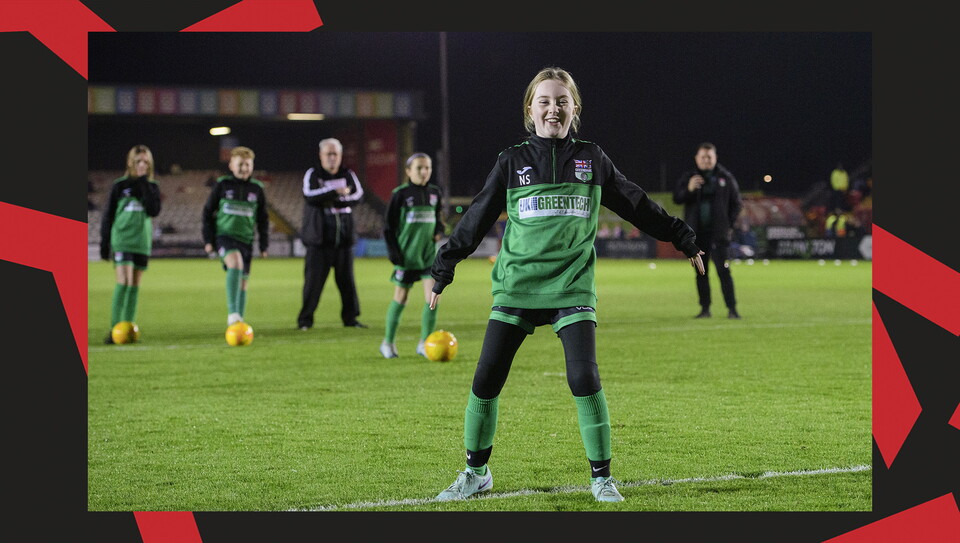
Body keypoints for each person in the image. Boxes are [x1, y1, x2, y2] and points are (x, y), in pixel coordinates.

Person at [428, 67, 705, 503]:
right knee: (486, 380)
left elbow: (636, 203)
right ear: (530, 109)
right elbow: (476, 217)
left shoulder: (591, 159)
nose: (553, 107)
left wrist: (682, 236)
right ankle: (475, 473)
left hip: (571, 285)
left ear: (574, 108)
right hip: (517, 285)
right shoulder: (512, 161)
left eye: (561, 100)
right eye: (544, 100)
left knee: (583, 377)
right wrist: (444, 267)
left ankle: (601, 478)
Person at [296, 138, 367, 330]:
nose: (332, 158)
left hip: (343, 241)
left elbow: (358, 197)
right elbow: (310, 196)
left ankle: (351, 319)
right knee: (313, 284)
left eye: (335, 154)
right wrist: (336, 192)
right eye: (329, 154)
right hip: (319, 242)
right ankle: (305, 321)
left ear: (341, 156)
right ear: (321, 156)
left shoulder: (348, 174)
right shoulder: (313, 174)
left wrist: (329, 198)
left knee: (347, 284)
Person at [380, 152, 446, 358]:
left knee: (433, 298)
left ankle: (424, 343)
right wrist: (393, 252)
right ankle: (388, 343)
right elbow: (388, 227)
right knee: (401, 298)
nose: (424, 172)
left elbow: (437, 218)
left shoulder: (435, 193)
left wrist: (438, 230)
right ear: (409, 171)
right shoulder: (400, 194)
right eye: (419, 168)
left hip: (428, 256)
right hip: (406, 256)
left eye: (427, 168)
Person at [672, 142, 743, 319]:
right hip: (696, 235)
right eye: (703, 157)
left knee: (724, 271)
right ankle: (705, 309)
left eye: (709, 157)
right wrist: (688, 189)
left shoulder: (725, 178)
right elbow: (677, 198)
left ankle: (732, 309)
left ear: (715, 158)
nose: (706, 160)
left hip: (719, 235)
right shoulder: (689, 177)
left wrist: (729, 225)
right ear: (696, 158)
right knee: (701, 273)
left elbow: (737, 203)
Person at [201, 146, 269, 327]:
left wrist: (263, 245)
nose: (244, 168)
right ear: (231, 165)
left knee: (243, 283)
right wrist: (208, 240)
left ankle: (238, 323)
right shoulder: (222, 185)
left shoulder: (257, 189)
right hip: (224, 237)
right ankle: (232, 313)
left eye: (247, 165)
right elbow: (208, 212)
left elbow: (263, 219)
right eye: (240, 164)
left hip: (246, 240)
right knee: (236, 263)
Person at [100, 144, 162, 343]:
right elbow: (108, 215)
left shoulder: (152, 187)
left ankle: (127, 328)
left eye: (145, 161)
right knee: (124, 281)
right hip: (123, 239)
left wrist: (143, 181)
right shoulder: (120, 185)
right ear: (130, 162)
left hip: (141, 241)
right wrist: (105, 243)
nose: (142, 165)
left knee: (135, 285)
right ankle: (115, 328)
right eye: (138, 161)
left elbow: (153, 211)